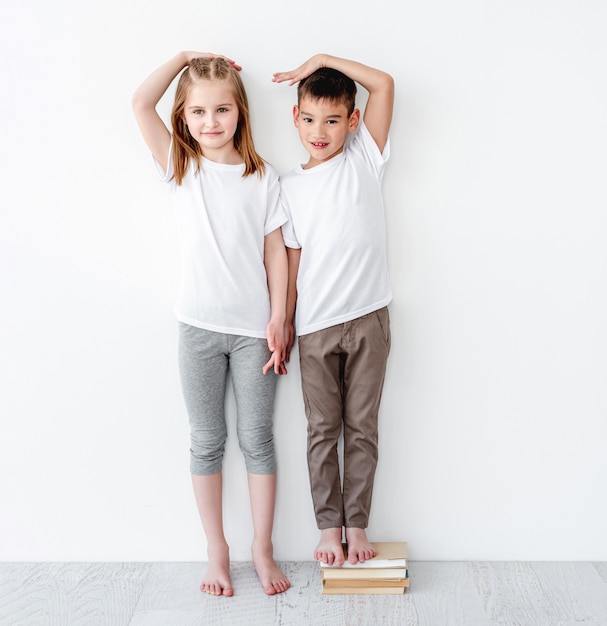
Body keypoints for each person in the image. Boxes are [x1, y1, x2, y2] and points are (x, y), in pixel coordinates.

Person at [132, 51, 290, 596]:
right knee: (207, 440)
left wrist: (280, 316)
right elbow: (138, 101)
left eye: (222, 110)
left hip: (254, 334)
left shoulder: (263, 176)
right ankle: (216, 551)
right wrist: (183, 58)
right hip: (197, 328)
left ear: (240, 113)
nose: (211, 122)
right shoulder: (181, 165)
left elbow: (276, 253)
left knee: (258, 440)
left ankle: (262, 551)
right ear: (184, 118)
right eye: (198, 112)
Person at [272, 54, 394, 567]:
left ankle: (357, 524)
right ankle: (328, 529)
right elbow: (292, 267)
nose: (318, 131)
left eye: (331, 120)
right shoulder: (288, 188)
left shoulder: (364, 158)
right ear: (294, 117)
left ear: (353, 121)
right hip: (316, 329)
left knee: (361, 426)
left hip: (369, 316)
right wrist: (283, 322)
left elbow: (384, 84)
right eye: (308, 118)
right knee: (322, 430)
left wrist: (321, 59)